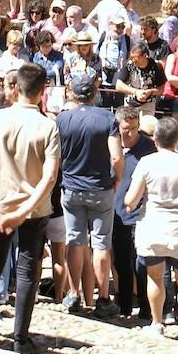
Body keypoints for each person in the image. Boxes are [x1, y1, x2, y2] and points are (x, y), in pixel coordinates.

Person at [0, 62, 60, 354]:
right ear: (43, 91)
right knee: (28, 271)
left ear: (16, 87)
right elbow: (50, 176)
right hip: (35, 209)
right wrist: (27, 208)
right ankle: (20, 336)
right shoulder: (47, 126)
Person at [124, 117, 178, 342]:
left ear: (155, 139)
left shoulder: (147, 162)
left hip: (154, 225)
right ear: (177, 139)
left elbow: (131, 199)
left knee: (155, 278)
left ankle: (157, 323)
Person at [57, 74, 123, 316]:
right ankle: (103, 297)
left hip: (71, 187)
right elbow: (116, 156)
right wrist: (117, 178)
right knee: (101, 243)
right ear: (94, 93)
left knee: (75, 239)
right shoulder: (107, 118)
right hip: (100, 188)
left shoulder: (62, 119)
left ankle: (73, 294)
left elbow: (56, 154)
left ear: (73, 93)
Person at [112, 107, 155, 318]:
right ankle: (125, 305)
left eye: (135, 129)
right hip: (117, 213)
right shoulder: (111, 146)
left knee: (143, 263)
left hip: (141, 215)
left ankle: (147, 308)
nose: (131, 133)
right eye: (127, 129)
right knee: (121, 262)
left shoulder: (148, 147)